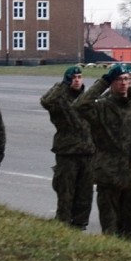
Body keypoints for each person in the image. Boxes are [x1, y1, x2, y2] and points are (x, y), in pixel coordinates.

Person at [74, 63, 131, 240]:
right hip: (108, 177)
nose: (123, 83)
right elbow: (80, 106)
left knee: (130, 227)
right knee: (110, 229)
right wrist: (103, 81)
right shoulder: (102, 108)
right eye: (118, 79)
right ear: (112, 82)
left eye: (126, 79)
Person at [40, 66, 95, 229]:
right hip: (67, 151)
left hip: (88, 151)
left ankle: (80, 223)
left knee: (85, 192)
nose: (77, 80)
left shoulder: (87, 99)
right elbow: (46, 101)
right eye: (73, 77)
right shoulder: (60, 99)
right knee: (66, 190)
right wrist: (62, 85)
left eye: (79, 77)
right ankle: (63, 221)